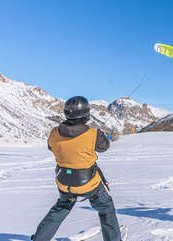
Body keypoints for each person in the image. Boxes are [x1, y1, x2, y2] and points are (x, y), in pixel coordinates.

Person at [32, 96, 121, 241]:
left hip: (64, 182)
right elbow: (104, 147)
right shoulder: (92, 134)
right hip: (88, 183)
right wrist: (101, 135)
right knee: (106, 208)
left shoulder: (54, 133)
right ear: (86, 114)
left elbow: (51, 146)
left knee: (61, 207)